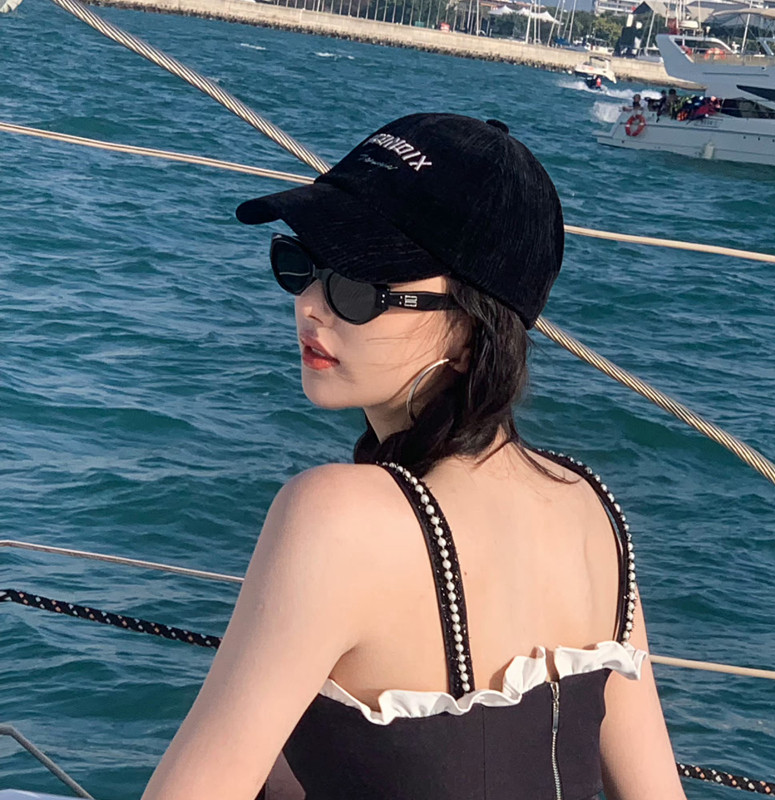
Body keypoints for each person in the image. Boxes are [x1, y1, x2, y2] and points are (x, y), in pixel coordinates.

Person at [141, 114, 687, 800]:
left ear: (471, 330)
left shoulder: (337, 516)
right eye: (302, 264)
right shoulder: (593, 509)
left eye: (358, 287)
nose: (309, 305)